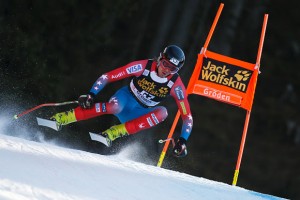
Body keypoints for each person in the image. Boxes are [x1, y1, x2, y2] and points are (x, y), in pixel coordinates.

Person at [51, 45, 193, 157]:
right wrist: (91, 94)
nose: (166, 70)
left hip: (139, 112)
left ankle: (112, 133)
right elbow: (107, 76)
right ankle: (62, 118)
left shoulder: (176, 85)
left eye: (172, 68)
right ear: (160, 58)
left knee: (163, 112)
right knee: (115, 107)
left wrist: (183, 140)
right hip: (126, 98)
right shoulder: (143, 66)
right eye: (164, 64)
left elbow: (187, 117)